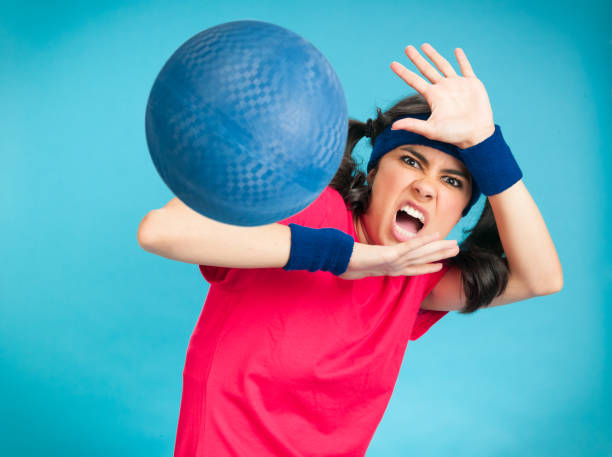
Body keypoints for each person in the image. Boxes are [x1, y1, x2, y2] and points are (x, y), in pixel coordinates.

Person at [137, 43, 562, 457]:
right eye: (411, 161)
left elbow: (540, 278)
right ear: (375, 172)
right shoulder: (309, 204)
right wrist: (344, 256)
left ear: (459, 213)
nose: (426, 187)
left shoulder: (417, 278)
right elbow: (161, 230)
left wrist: (486, 147)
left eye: (453, 181)